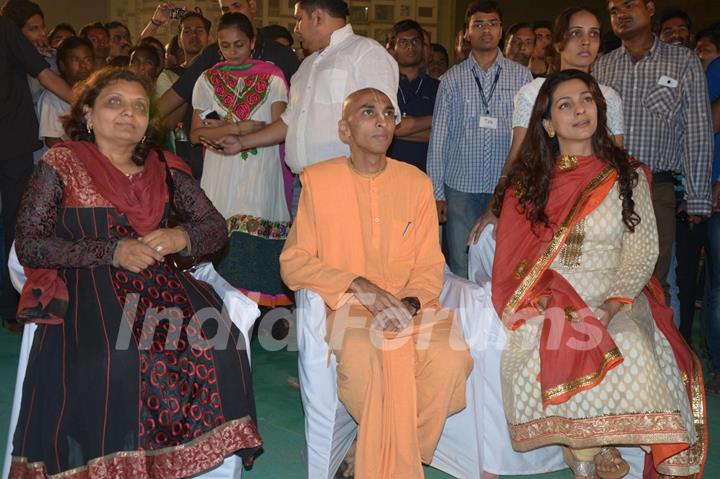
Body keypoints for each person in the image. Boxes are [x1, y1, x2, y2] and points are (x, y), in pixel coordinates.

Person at [9, 67, 262, 478]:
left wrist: (180, 237)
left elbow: (213, 228)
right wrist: (111, 250)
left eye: (140, 107)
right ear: (88, 114)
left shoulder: (164, 166)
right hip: (87, 282)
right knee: (112, 359)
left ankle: (173, 462)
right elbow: (31, 243)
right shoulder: (63, 163)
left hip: (162, 285)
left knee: (218, 345)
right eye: (115, 103)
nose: (129, 113)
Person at [492, 69, 706, 479]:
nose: (579, 110)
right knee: (552, 336)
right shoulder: (530, 182)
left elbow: (642, 250)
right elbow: (514, 257)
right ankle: (584, 446)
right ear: (548, 124)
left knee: (629, 342)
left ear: (600, 110)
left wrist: (611, 305)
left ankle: (594, 445)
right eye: (565, 104)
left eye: (586, 99)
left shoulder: (626, 174)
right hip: (553, 293)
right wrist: (540, 298)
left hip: (615, 291)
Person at [280, 87, 472, 479]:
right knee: (366, 366)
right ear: (344, 130)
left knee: (451, 361)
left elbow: (430, 263)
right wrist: (357, 285)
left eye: (388, 112)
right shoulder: (318, 181)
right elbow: (294, 262)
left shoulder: (416, 183)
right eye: (368, 112)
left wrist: (410, 304)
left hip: (412, 307)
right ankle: (394, 456)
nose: (382, 120)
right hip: (349, 306)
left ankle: (366, 448)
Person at [208, 0, 399, 218]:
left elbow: (383, 123)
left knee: (343, 252)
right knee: (302, 253)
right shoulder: (307, 66)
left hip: (347, 184)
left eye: (299, 19)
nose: (296, 28)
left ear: (317, 17)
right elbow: (288, 122)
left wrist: (361, 180)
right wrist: (241, 143)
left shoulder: (365, 53)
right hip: (303, 185)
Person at [468, 6, 625, 243]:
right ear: (559, 42)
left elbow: (616, 158)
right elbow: (518, 155)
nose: (586, 41)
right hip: (544, 200)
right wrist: (497, 205)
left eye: (593, 34)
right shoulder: (533, 92)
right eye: (576, 33)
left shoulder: (608, 97)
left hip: (596, 202)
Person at [593, 0, 713, 299]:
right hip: (606, 188)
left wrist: (697, 197)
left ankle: (654, 344)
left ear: (649, 8)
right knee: (607, 275)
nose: (620, 13)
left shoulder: (683, 61)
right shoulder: (602, 66)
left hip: (656, 187)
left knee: (654, 281)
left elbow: (696, 131)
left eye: (628, 5)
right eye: (613, 10)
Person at [190, 12, 291, 307]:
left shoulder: (273, 78)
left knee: (254, 234)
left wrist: (220, 130)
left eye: (239, 45)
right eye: (225, 46)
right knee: (220, 230)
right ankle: (218, 308)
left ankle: (260, 313)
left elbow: (278, 128)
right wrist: (240, 127)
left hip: (262, 170)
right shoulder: (207, 79)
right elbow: (197, 134)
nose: (232, 53)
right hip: (220, 170)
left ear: (253, 42)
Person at [427, 0, 532, 278]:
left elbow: (530, 137)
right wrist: (436, 193)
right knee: (462, 266)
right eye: (479, 24)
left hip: (506, 186)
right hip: (460, 187)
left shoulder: (522, 76)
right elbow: (438, 140)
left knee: (505, 266)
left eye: (493, 24)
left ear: (501, 31)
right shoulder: (451, 80)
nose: (486, 30)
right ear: (467, 32)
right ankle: (464, 321)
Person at [0, 14, 72, 323]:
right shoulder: (5, 30)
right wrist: (89, 103)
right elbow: (45, 76)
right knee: (13, 226)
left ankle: (8, 304)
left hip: (12, 145)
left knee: (12, 226)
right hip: (11, 145)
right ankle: (8, 306)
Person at [386, 19, 439, 173]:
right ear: (393, 48)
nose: (410, 47)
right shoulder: (383, 85)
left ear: (424, 47)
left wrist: (396, 130)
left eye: (415, 41)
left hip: (426, 173)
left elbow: (445, 135)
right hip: (389, 172)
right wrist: (433, 119)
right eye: (403, 42)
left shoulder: (439, 87)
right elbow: (386, 127)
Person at [37, 36, 95, 148]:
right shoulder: (52, 96)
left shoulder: (97, 92)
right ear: (62, 65)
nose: (83, 65)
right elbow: (52, 141)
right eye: (75, 60)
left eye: (87, 59)